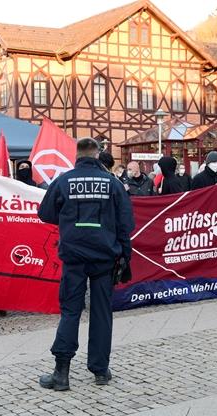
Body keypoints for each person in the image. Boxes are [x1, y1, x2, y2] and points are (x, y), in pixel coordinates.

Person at [37, 138, 134, 390]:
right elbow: (126, 224)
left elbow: (45, 213)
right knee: (102, 312)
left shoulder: (63, 181)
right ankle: (100, 370)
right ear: (98, 154)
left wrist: (68, 216)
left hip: (74, 257)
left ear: (76, 155)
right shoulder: (113, 183)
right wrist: (126, 257)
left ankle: (62, 373)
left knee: (70, 311)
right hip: (104, 257)